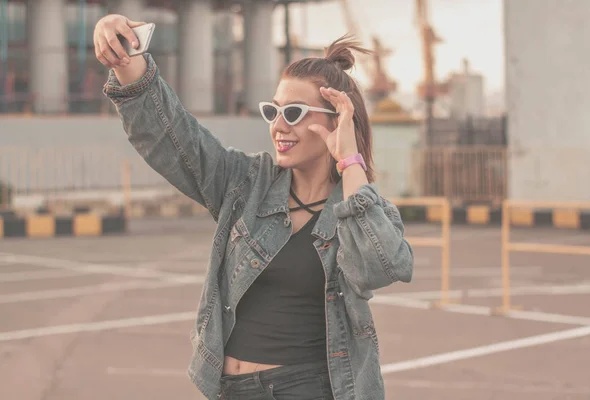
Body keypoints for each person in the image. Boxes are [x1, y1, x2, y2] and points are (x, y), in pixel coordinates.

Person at [95, 13, 413, 400]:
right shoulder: (246, 183)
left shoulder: (361, 206)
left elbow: (378, 269)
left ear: (337, 122)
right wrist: (128, 61)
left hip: (308, 389)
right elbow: (175, 138)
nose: (279, 126)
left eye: (294, 113)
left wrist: (349, 162)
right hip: (229, 389)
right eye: (272, 111)